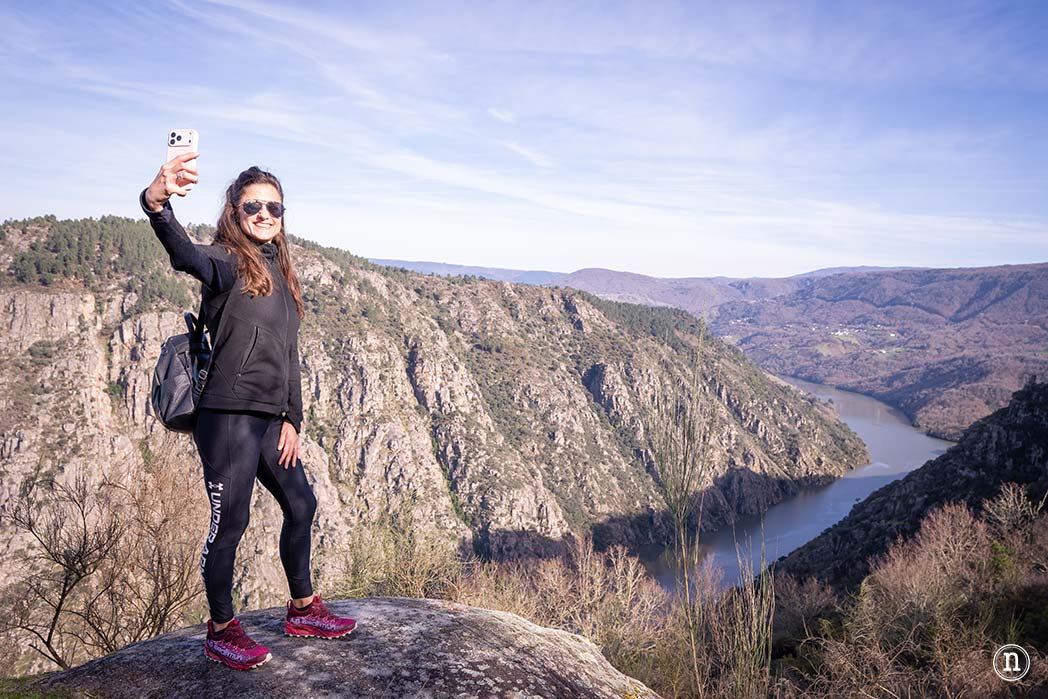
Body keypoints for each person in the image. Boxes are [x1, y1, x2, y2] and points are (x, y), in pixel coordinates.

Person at [141, 153, 356, 671]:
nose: (264, 214)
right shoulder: (224, 262)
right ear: (235, 211)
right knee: (230, 524)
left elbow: (288, 357)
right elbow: (182, 254)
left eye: (274, 207)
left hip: (268, 420)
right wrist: (156, 202)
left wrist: (293, 419)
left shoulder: (280, 277)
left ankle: (303, 609)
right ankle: (220, 628)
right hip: (227, 418)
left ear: (283, 215)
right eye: (253, 205)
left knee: (301, 504)